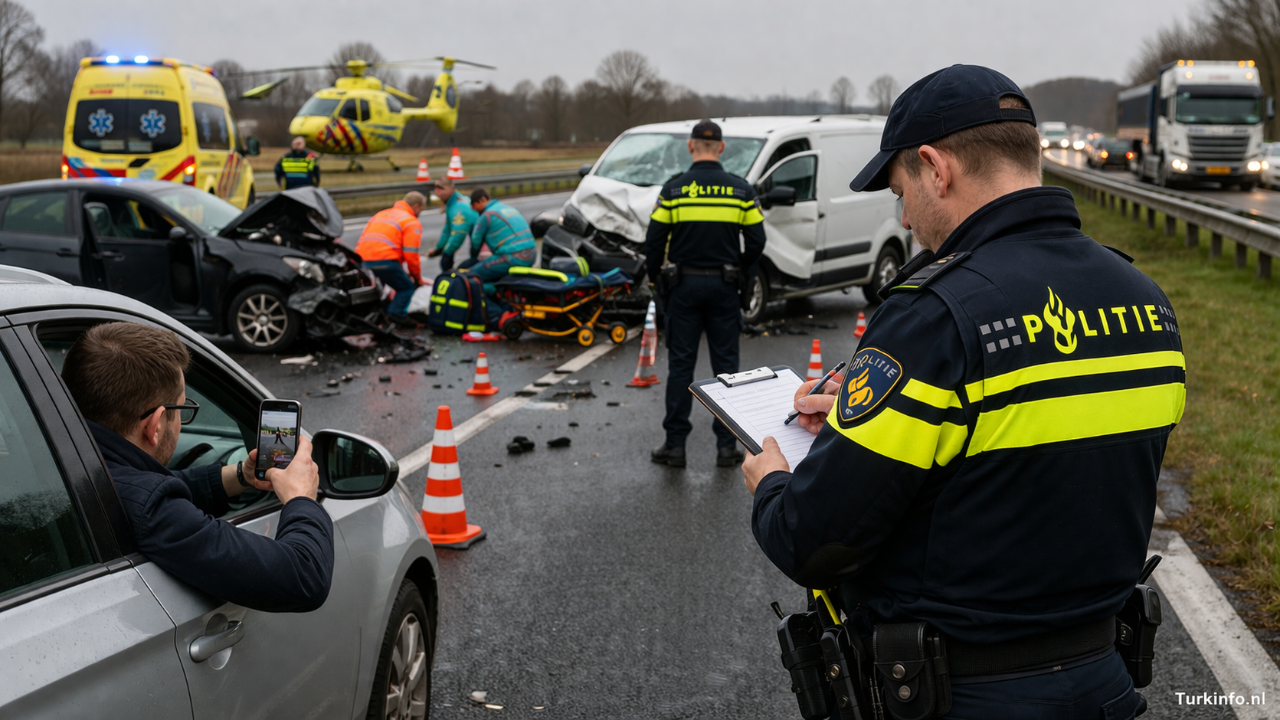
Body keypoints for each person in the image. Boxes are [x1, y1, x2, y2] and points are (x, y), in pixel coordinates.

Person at [742, 65, 1185, 719]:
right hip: (1105, 687)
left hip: (961, 695)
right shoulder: (1146, 302)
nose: (903, 214)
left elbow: (814, 540)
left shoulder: (935, 315)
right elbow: (1030, 444)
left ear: (935, 168)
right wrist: (879, 413)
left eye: (900, 189)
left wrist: (774, 479)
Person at [61, 322, 332, 612]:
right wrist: (302, 497)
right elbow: (304, 576)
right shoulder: (151, 511)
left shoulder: (70, 462)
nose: (180, 423)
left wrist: (240, 474)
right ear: (155, 426)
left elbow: (147, 483)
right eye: (181, 409)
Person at [645, 120, 766, 469]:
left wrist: (656, 280)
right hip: (725, 288)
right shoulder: (741, 191)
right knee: (726, 369)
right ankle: (727, 448)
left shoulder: (674, 190)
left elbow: (654, 243)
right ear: (722, 148)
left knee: (681, 367)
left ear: (690, 146)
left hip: (682, 288)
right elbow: (757, 242)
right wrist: (739, 270)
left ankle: (675, 446)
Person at [355, 191, 426, 324]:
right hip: (386, 260)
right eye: (421, 209)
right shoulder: (411, 221)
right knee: (406, 288)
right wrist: (417, 278)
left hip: (363, 260)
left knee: (376, 289)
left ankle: (375, 315)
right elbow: (411, 255)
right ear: (416, 206)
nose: (420, 213)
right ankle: (395, 314)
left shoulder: (380, 214)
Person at [461, 188, 536, 282]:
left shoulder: (486, 215)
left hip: (512, 257)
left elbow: (475, 242)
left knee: (471, 276)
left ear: (482, 200)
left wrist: (473, 259)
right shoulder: (507, 208)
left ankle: (488, 294)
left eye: (474, 206)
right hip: (532, 255)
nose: (474, 209)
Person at [424, 178, 479, 273]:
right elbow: (447, 230)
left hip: (484, 247)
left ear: (452, 188)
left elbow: (458, 235)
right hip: (478, 245)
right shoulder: (453, 203)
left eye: (441, 188)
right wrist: (438, 248)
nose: (438, 192)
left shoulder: (458, 207)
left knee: (455, 269)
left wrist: (446, 255)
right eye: (436, 188)